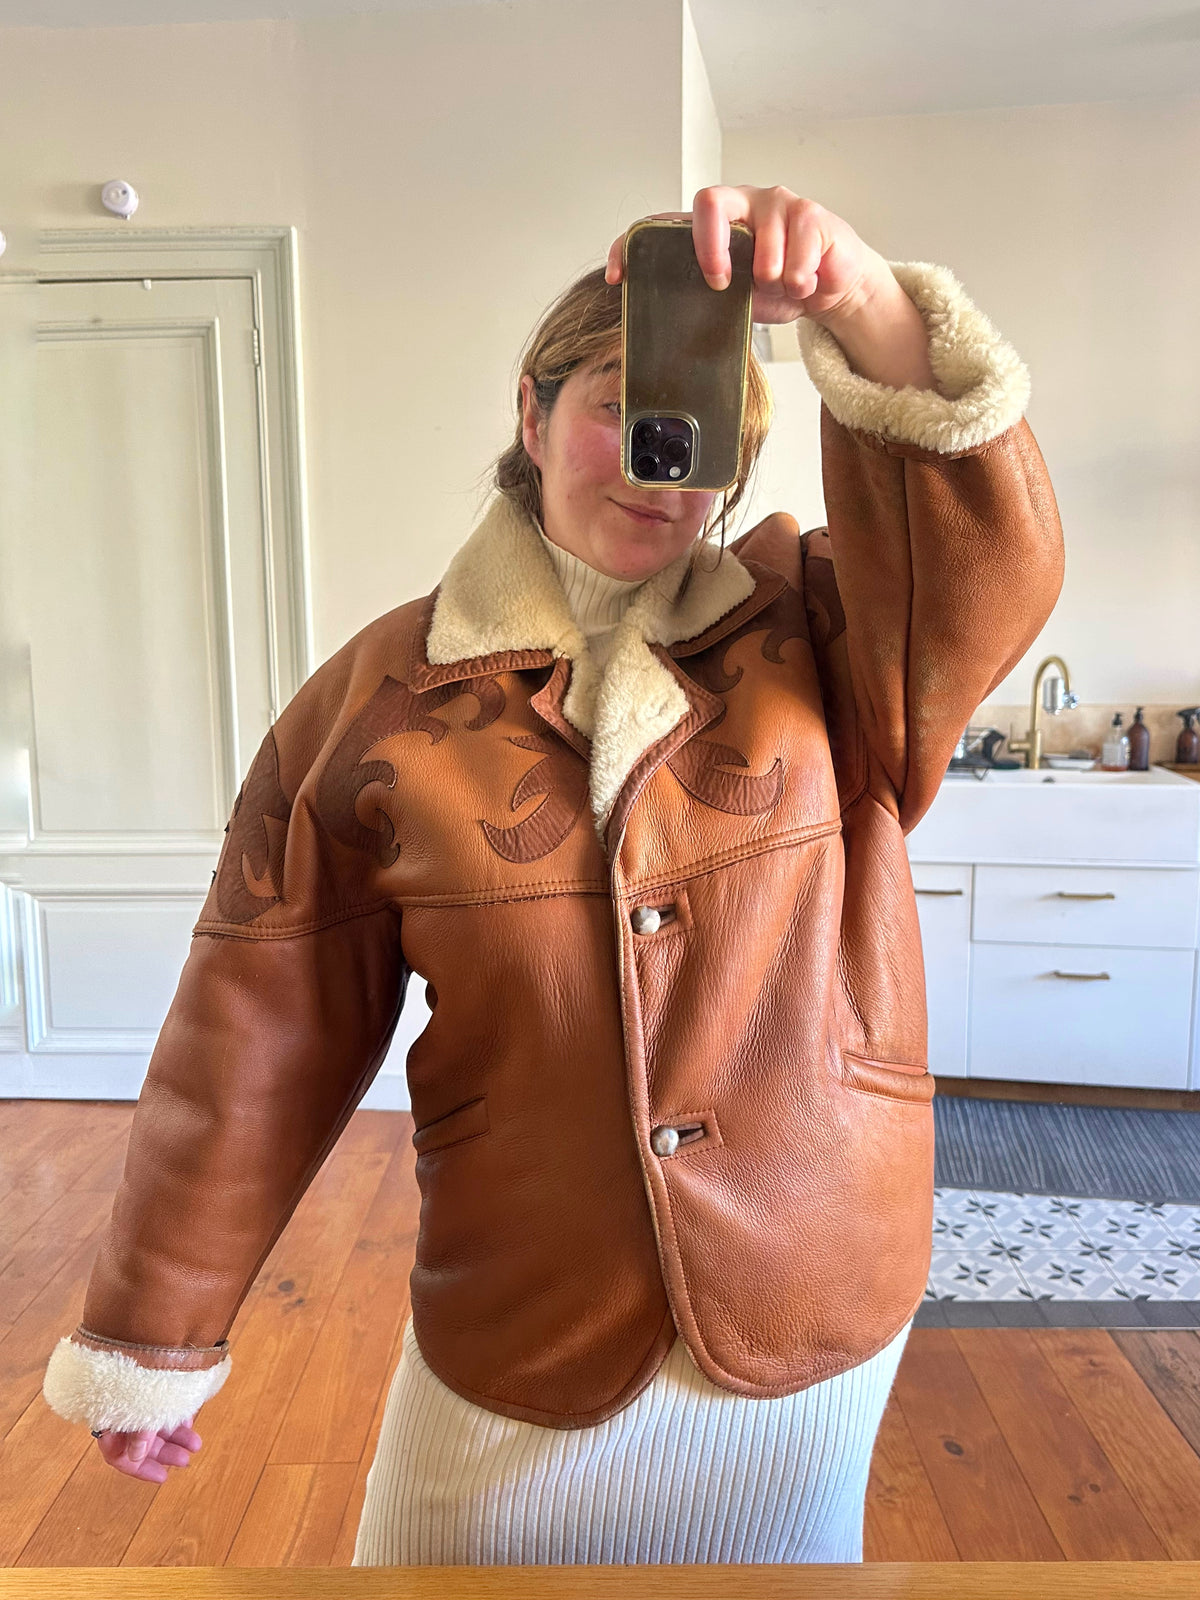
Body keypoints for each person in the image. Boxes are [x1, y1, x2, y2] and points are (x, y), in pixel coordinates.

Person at [42, 184, 1064, 1564]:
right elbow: (256, 1031)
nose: (657, 464)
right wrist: (154, 1335)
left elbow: (991, 571)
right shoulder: (377, 703)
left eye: (693, 424)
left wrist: (863, 303)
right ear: (530, 416)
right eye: (613, 404)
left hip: (804, 1284)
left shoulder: (829, 636)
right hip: (525, 1303)